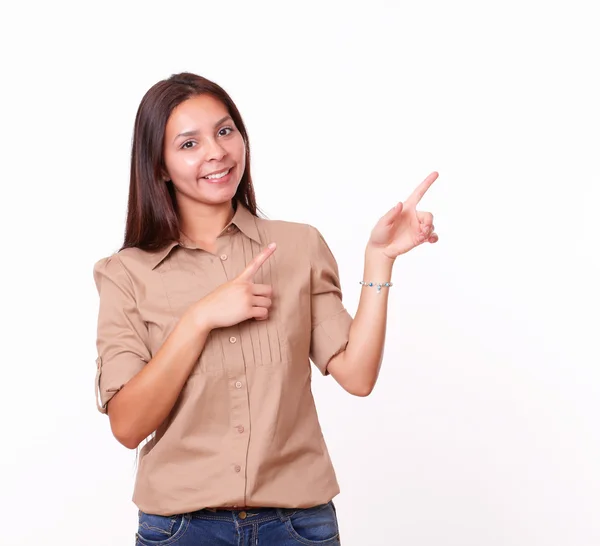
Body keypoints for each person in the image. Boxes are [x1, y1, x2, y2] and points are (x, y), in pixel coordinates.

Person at [93, 72, 439, 546]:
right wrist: (200, 319)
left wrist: (380, 258)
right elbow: (128, 426)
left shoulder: (298, 246)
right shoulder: (126, 273)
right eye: (189, 143)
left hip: (299, 527)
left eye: (224, 130)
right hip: (180, 531)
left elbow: (357, 376)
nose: (216, 152)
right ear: (159, 167)